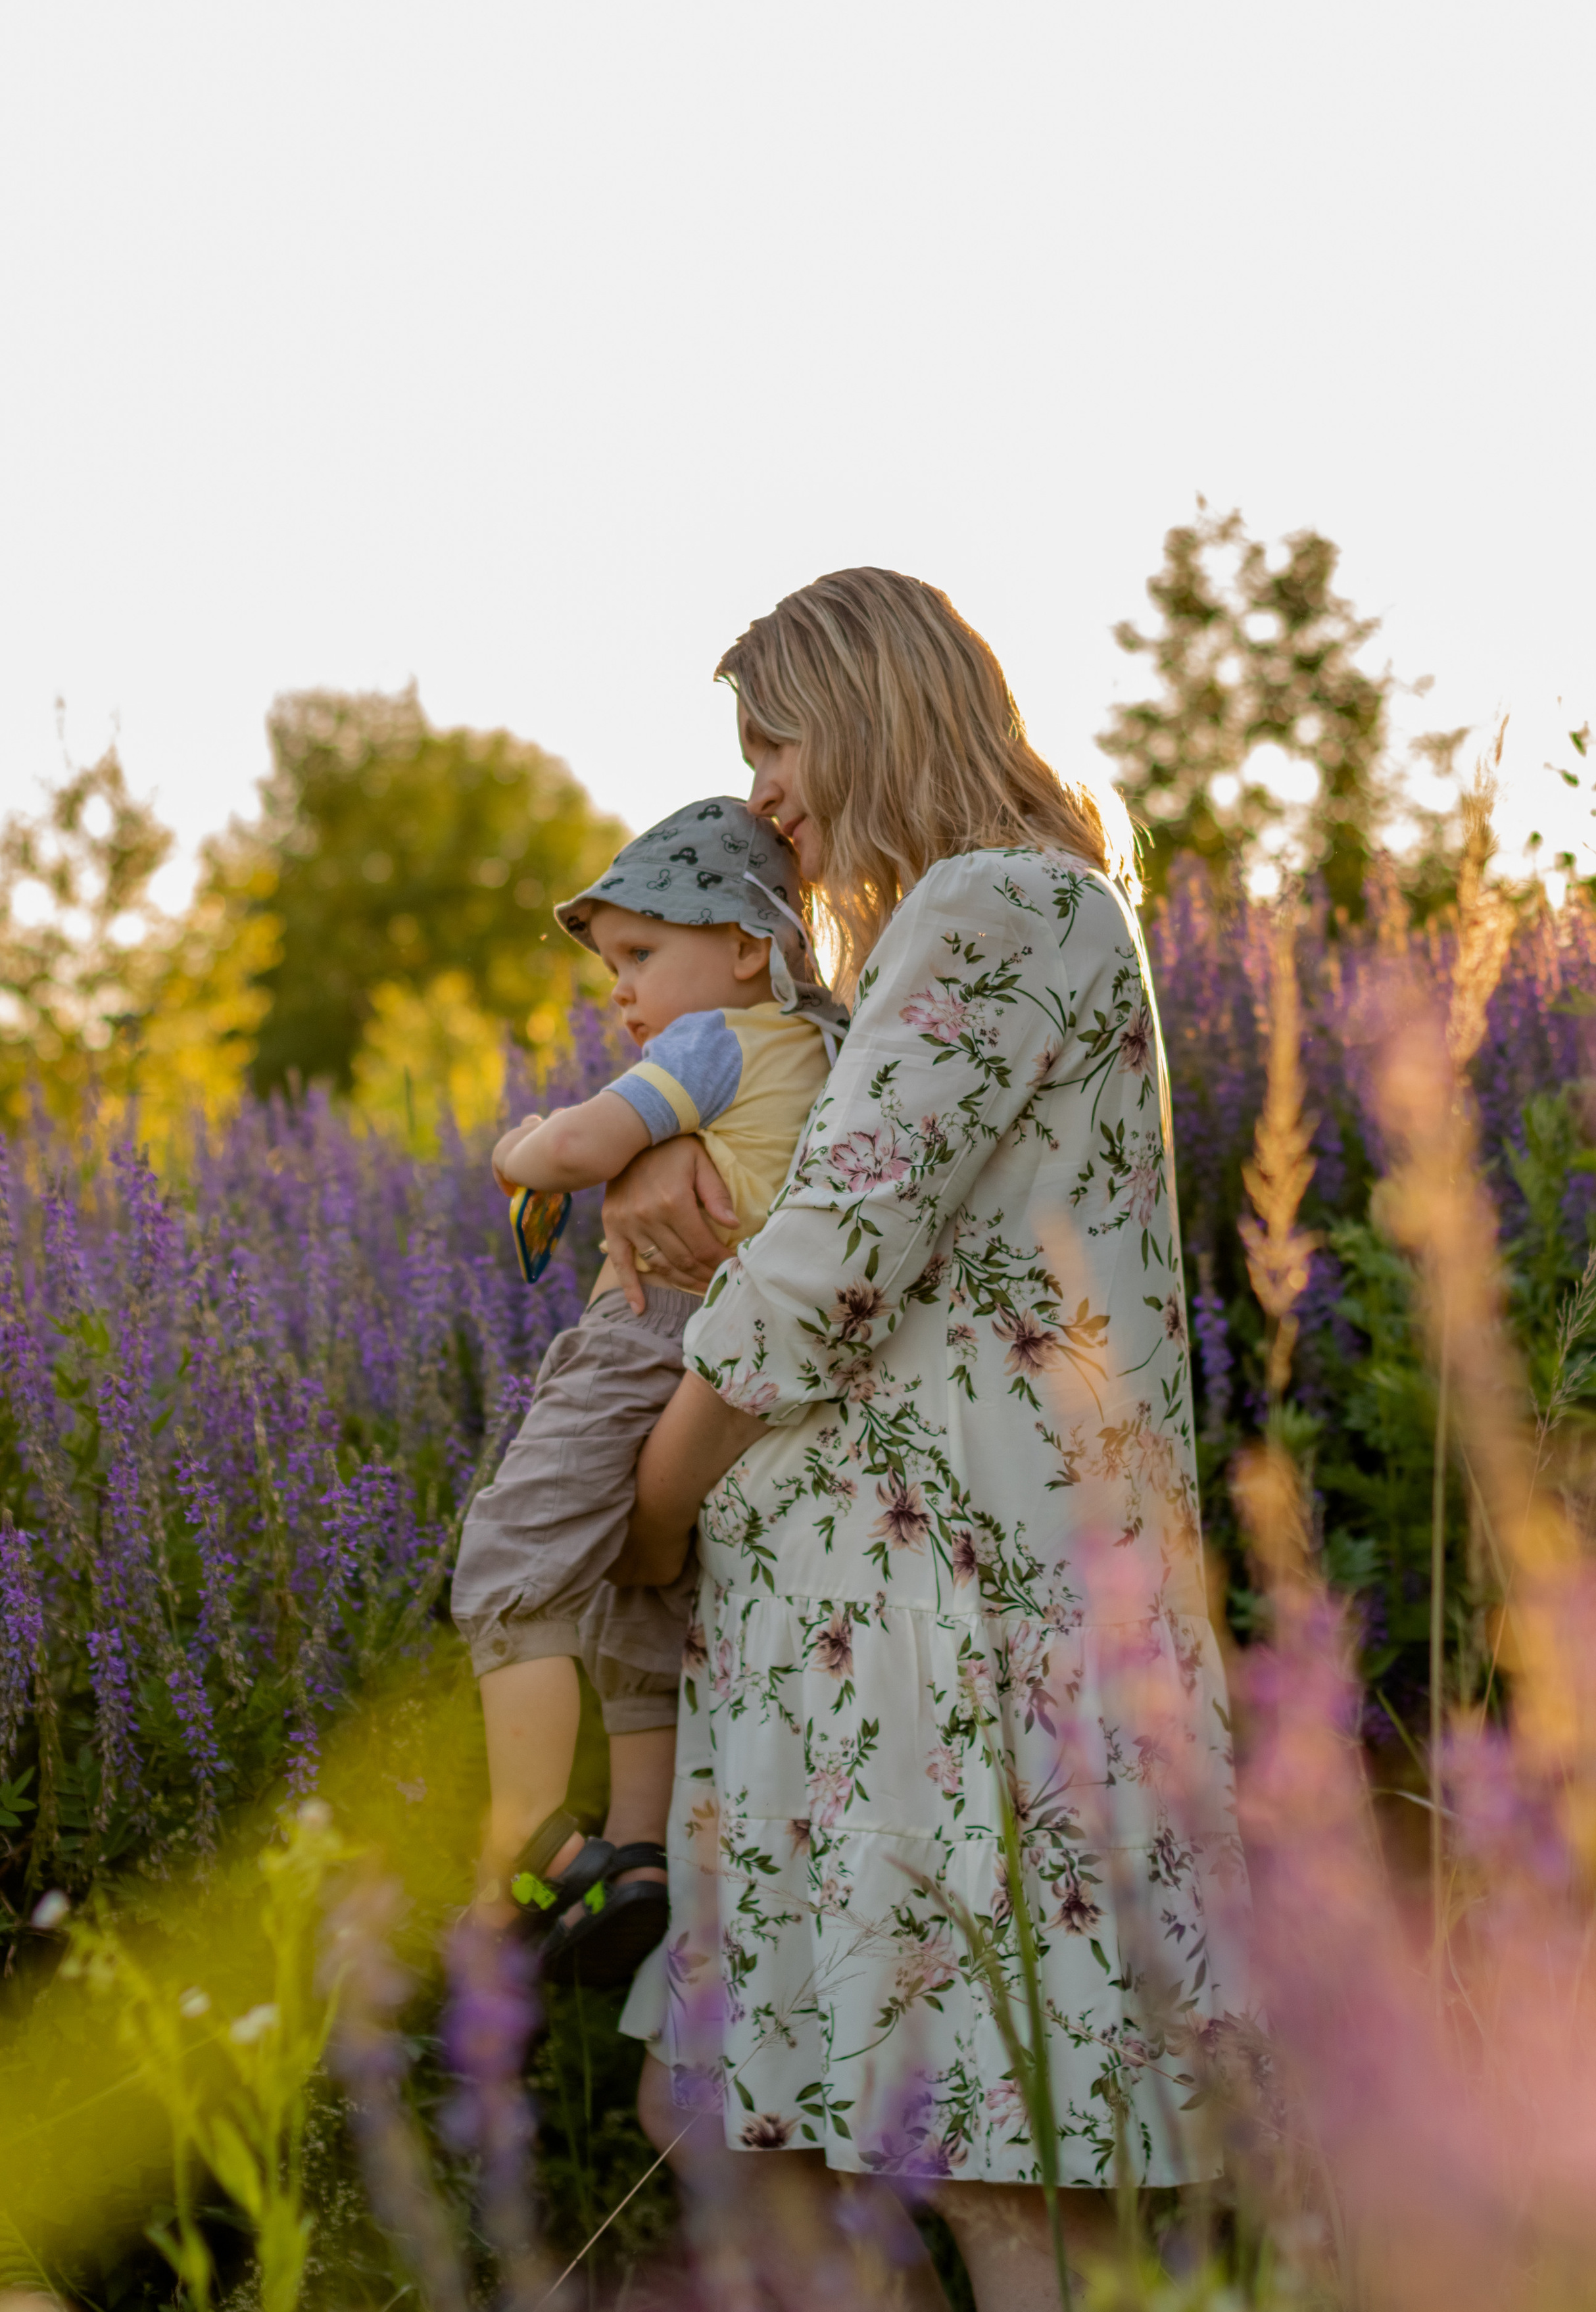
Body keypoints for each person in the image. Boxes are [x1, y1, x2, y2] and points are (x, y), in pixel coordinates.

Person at [604, 570, 1251, 2312]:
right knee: (821, 2149)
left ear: (873, 706)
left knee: (1007, 2182)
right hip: (884, 1648)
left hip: (958, 1642)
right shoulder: (965, 927)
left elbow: (828, 1274)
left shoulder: (998, 906)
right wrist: (671, 1158)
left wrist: (655, 1502)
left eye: (776, 741)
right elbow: (855, 1220)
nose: (758, 794)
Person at [450, 797, 844, 1987]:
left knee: (511, 1558)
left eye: (640, 953)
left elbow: (576, 1153)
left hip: (647, 1338)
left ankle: (526, 1837)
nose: (619, 992)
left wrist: (520, 1145)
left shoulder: (707, 1043)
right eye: (610, 964)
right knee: (641, 1599)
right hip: (743, 1354)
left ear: (742, 945)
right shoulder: (827, 1050)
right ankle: (636, 1855)